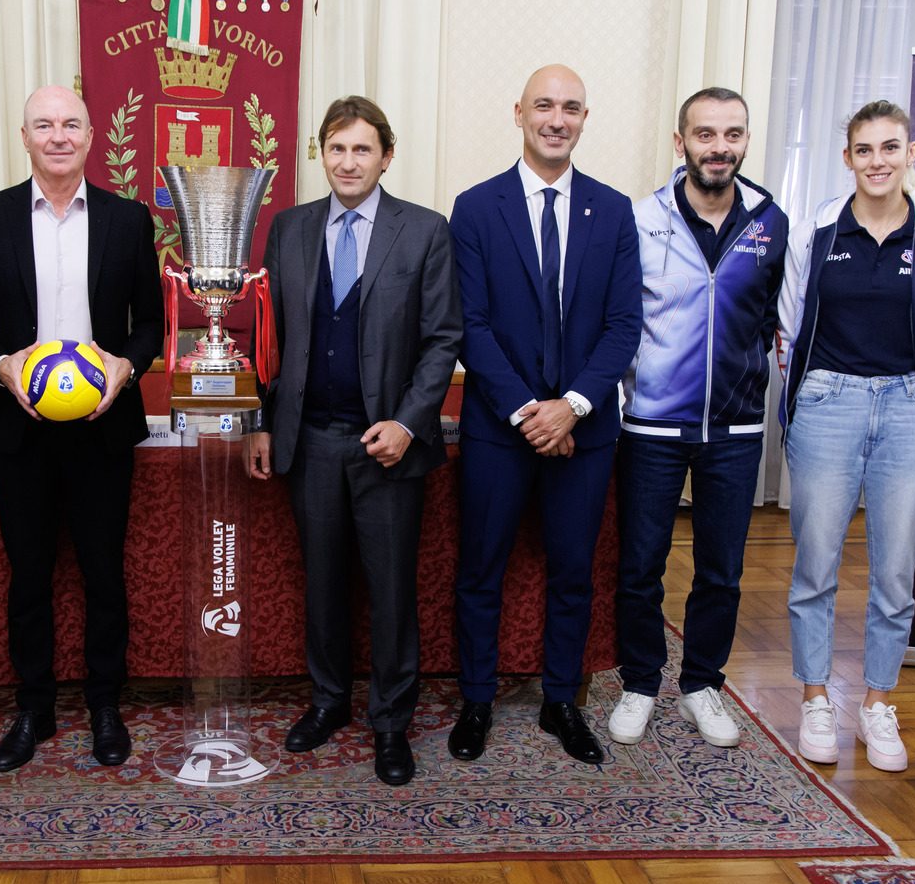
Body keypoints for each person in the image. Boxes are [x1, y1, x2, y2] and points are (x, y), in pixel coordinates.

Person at [244, 95, 461, 786]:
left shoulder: (424, 231)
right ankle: (329, 701)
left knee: (392, 592)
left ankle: (391, 724)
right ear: (321, 154)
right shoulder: (291, 229)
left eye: (361, 149)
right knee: (323, 586)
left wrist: (406, 423)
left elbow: (442, 340)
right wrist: (259, 424)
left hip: (387, 447)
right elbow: (265, 337)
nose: (347, 161)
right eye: (336, 149)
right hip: (308, 442)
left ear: (385, 156)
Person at [0, 85, 165, 772]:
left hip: (102, 427)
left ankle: (105, 706)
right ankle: (34, 709)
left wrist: (125, 370)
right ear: (25, 136)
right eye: (45, 124)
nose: (59, 135)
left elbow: (151, 323)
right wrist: (4, 364)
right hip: (21, 428)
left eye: (71, 123)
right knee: (29, 576)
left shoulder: (129, 220)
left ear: (93, 134)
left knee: (104, 575)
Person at [449, 64, 644, 765]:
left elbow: (624, 326)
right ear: (519, 113)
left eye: (570, 108)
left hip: (585, 433)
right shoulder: (475, 208)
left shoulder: (614, 210)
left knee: (573, 574)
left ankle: (562, 701)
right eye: (543, 106)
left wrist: (573, 408)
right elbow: (470, 325)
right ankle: (475, 700)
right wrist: (532, 414)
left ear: (585, 119)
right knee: (480, 572)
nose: (556, 119)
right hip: (500, 431)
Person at [776, 100, 915, 772]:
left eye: (891, 148)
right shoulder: (817, 233)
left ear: (912, 153)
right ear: (848, 158)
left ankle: (877, 702)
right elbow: (790, 321)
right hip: (827, 399)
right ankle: (816, 698)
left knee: (895, 570)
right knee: (816, 563)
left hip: (908, 408)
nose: (879, 161)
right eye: (865, 150)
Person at [607, 87, 788, 751]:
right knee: (641, 566)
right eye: (705, 134)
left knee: (722, 569)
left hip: (736, 428)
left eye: (732, 134)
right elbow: (621, 317)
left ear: (744, 141)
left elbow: (778, 318)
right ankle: (640, 682)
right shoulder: (640, 217)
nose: (720, 147)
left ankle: (702, 684)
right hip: (652, 424)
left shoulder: (772, 220)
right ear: (680, 143)